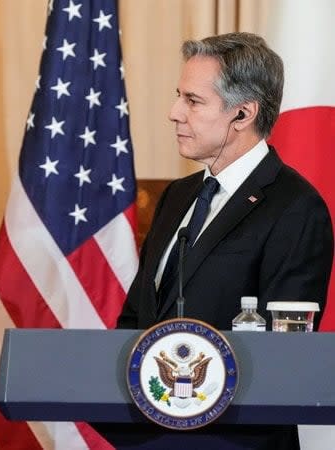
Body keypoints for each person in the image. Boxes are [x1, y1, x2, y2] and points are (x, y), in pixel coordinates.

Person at [104, 32, 333, 449]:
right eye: (179, 96)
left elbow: (284, 356)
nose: (174, 113)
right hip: (149, 436)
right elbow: (137, 318)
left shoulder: (296, 207)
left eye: (193, 101)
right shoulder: (177, 196)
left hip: (237, 439)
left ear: (243, 114)